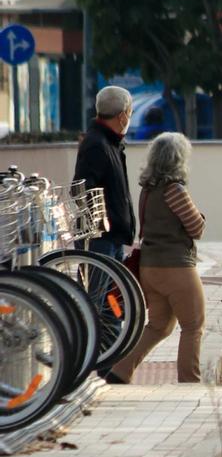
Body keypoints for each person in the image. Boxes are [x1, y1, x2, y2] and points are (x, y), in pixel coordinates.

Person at [107, 132, 206, 384]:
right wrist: (200, 216)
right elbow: (196, 228)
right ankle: (190, 381)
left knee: (159, 326)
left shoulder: (148, 190)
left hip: (150, 267)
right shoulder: (175, 190)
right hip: (176, 267)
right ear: (178, 159)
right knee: (193, 326)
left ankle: (120, 370)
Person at [75, 86, 136, 260]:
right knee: (97, 287)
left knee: (112, 287)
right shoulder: (97, 144)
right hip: (102, 239)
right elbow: (81, 188)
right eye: (130, 112)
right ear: (122, 116)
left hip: (112, 236)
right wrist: (102, 224)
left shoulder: (109, 143)